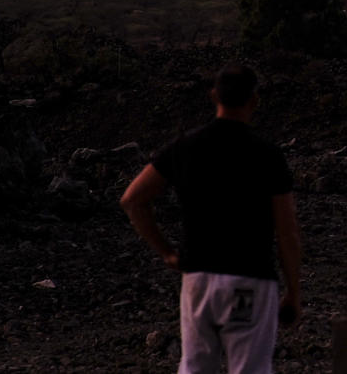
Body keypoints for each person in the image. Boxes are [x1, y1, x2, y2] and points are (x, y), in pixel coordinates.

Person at [121, 63, 301, 374]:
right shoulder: (267, 154)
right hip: (249, 279)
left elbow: (133, 199)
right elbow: (287, 232)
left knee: (195, 366)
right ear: (254, 100)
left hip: (198, 279)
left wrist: (166, 252)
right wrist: (294, 292)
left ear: (213, 96)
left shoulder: (184, 147)